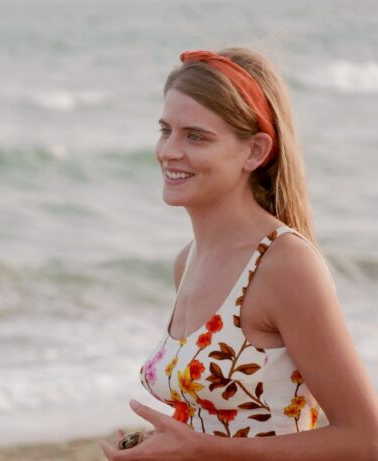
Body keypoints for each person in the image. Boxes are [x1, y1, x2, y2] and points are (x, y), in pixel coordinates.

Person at [100, 48, 378, 460]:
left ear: (255, 151)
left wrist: (200, 449)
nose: (169, 150)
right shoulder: (188, 260)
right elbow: (222, 421)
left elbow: (365, 439)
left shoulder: (284, 264)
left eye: (195, 136)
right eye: (165, 130)